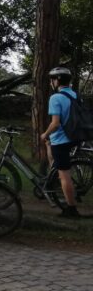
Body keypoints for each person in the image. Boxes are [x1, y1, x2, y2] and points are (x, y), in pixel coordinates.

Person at [40, 66, 81, 218]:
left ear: (57, 80)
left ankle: (71, 209)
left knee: (64, 175)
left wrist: (45, 133)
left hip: (61, 140)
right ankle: (53, 178)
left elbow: (55, 123)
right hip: (74, 137)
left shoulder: (55, 98)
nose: (51, 82)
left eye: (52, 79)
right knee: (52, 154)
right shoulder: (75, 95)